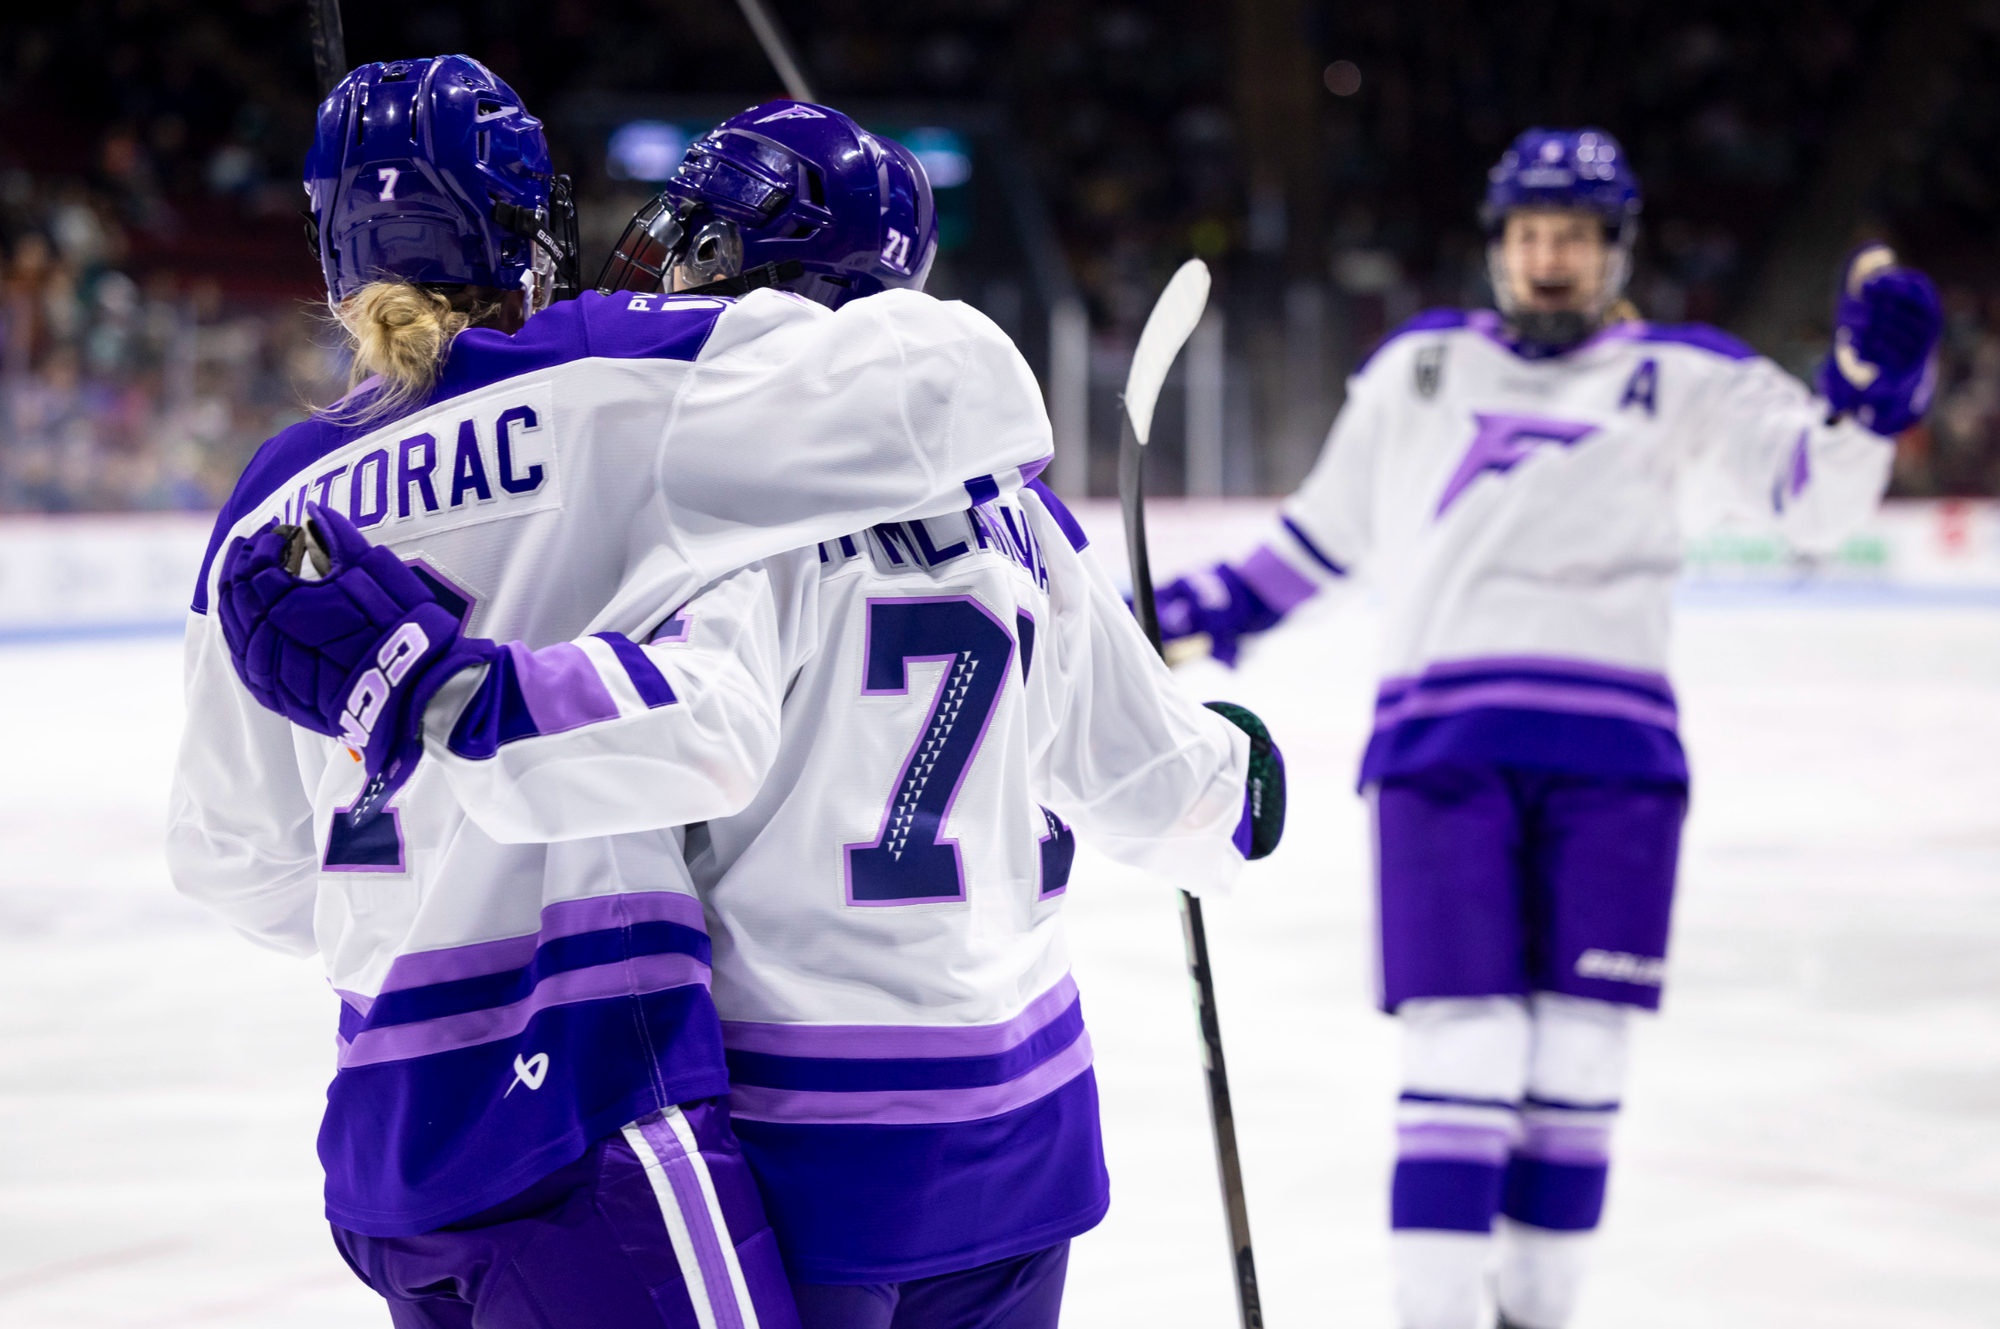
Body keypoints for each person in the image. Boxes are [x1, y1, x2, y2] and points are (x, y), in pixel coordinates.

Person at [269, 101, 1289, 1329]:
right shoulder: (1027, 527)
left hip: (813, 1142)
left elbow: (685, 730)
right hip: (1027, 1140)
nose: (679, 276)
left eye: (705, 250)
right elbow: (1180, 796)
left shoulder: (725, 510)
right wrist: (1241, 770)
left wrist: (434, 689)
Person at [169, 62, 1053, 1329]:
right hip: (588, 1110)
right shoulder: (618, 373)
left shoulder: (271, 503)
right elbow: (973, 401)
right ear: (528, 219)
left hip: (387, 1144)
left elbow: (233, 859)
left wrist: (426, 904)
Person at [1151, 127, 1942, 1329]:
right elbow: (1309, 546)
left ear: (1613, 248)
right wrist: (1177, 616)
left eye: (1572, 238)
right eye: (1528, 238)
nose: (1549, 260)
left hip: (1616, 768)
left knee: (1578, 1065)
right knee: (1460, 1054)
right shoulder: (1416, 370)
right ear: (1496, 249)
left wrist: (1870, 394)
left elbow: (1815, 500)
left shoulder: (1687, 376)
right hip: (1438, 759)